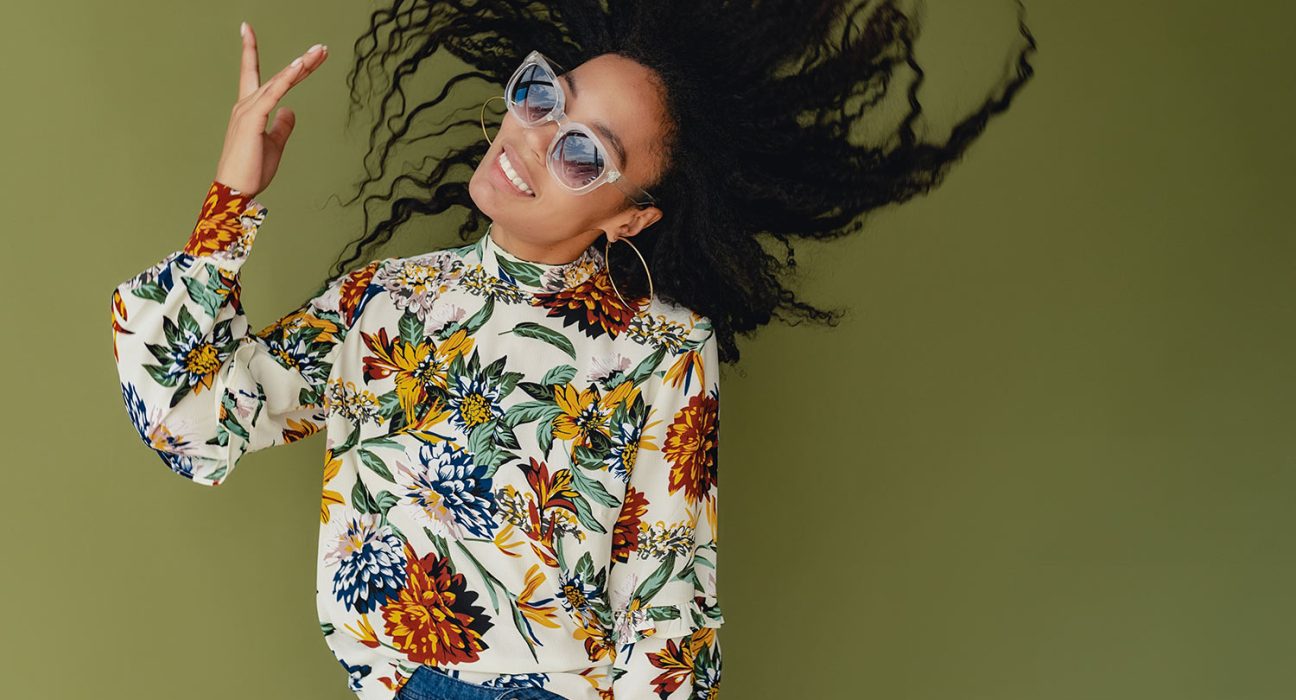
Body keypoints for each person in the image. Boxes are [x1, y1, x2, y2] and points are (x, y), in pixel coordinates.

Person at [108, 2, 1037, 698]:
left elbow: (668, 605)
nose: (534, 136)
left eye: (585, 153)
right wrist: (229, 203)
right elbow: (194, 426)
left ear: (630, 218)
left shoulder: (664, 349)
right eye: (545, 96)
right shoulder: (381, 303)